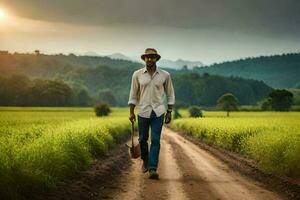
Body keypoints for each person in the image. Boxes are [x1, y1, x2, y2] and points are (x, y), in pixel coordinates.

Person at [128, 48, 175, 179]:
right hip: (142, 111)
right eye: (147, 57)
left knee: (155, 140)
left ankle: (153, 168)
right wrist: (131, 112)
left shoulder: (165, 75)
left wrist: (169, 111)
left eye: (152, 57)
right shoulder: (137, 75)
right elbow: (133, 95)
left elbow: (170, 94)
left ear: (156, 59)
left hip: (158, 112)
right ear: (144, 59)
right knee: (142, 139)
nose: (150, 59)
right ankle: (145, 160)